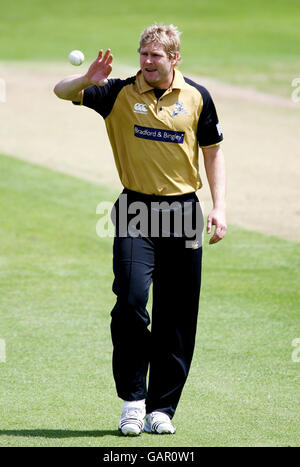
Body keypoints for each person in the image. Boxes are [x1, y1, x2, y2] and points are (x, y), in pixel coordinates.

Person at [54, 24, 227, 436]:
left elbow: (214, 152)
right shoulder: (118, 92)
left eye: (156, 56)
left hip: (184, 211)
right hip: (136, 208)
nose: (147, 62)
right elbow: (60, 90)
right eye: (143, 54)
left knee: (178, 314)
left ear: (174, 59)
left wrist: (220, 206)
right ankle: (133, 401)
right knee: (131, 300)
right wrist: (85, 80)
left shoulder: (197, 97)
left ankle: (161, 408)